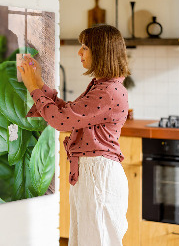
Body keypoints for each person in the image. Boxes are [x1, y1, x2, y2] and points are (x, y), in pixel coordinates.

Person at [18, 24, 131, 246]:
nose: (79, 52)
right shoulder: (103, 86)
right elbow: (68, 113)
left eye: (85, 47)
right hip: (93, 174)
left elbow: (61, 121)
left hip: (98, 176)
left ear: (101, 51)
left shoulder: (107, 91)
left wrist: (33, 87)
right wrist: (39, 83)